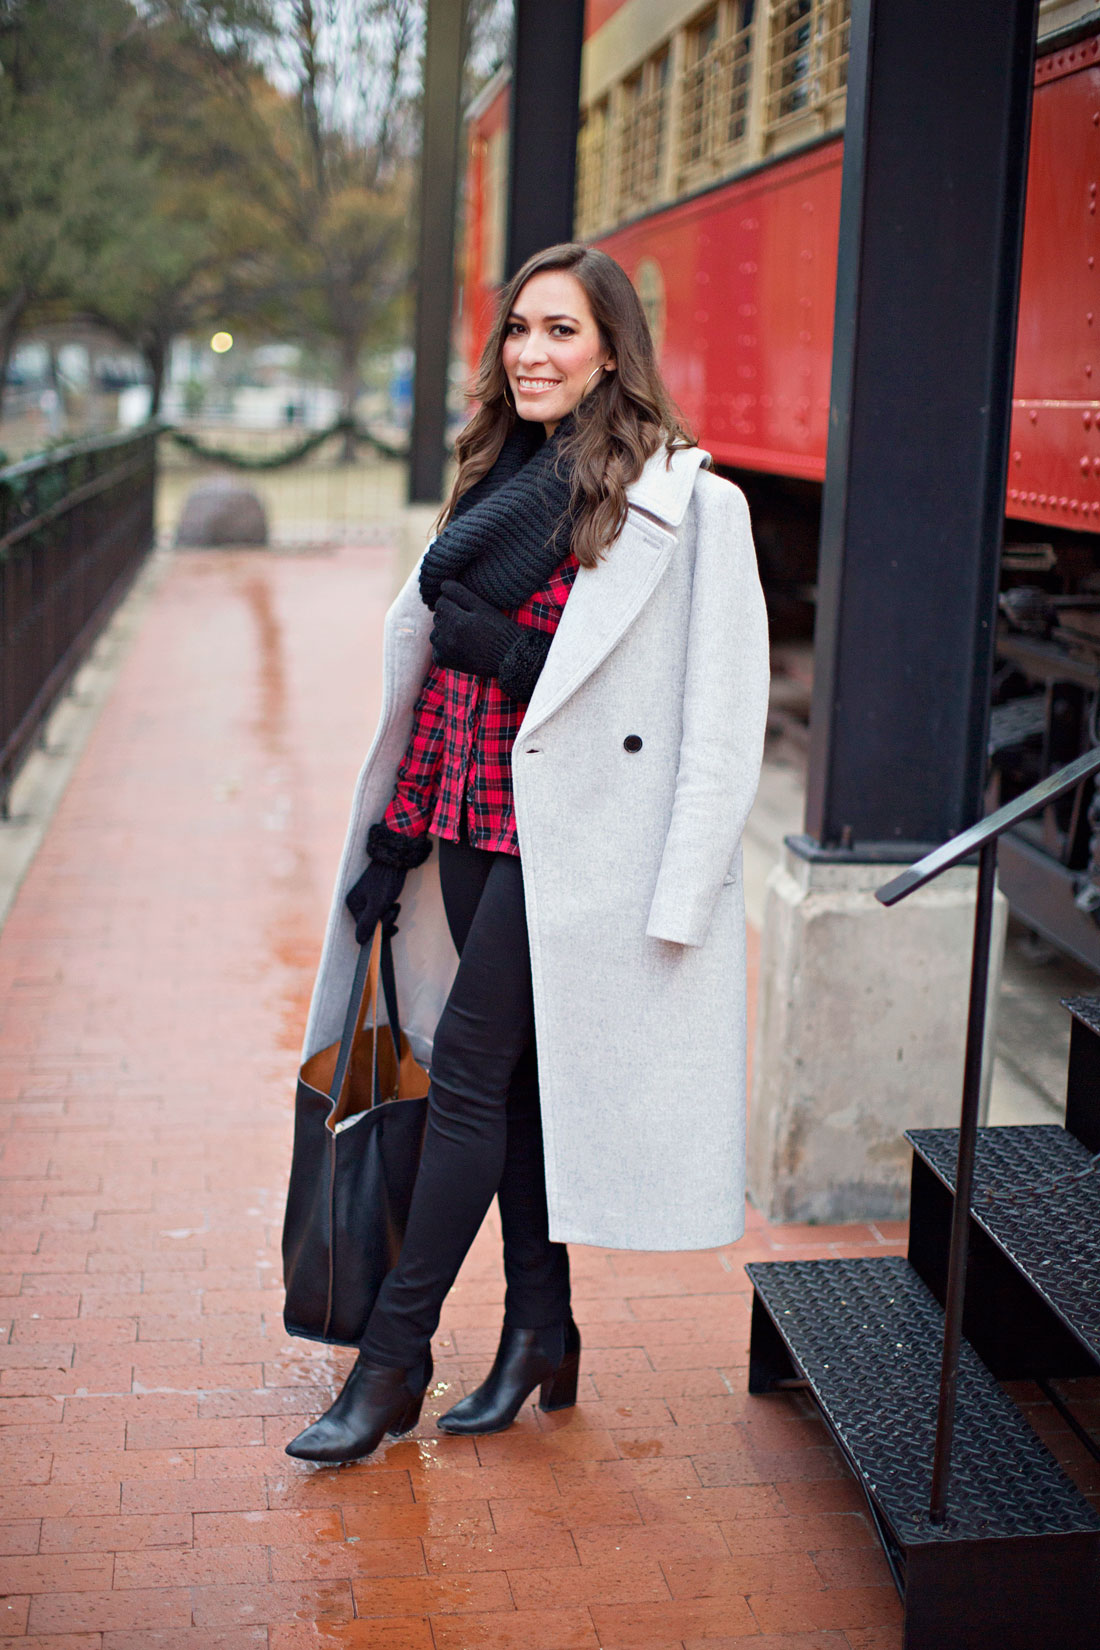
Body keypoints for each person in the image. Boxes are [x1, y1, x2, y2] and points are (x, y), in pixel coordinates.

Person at [285, 242, 770, 1464]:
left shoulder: (685, 503)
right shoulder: (491, 480)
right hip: (466, 817)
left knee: (464, 1079)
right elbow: (438, 690)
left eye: (560, 331)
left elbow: (720, 718)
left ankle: (391, 1365)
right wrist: (395, 836)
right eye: (517, 330)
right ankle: (541, 1331)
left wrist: (686, 891)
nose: (532, 353)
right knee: (506, 1090)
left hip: (582, 844)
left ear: (612, 346)